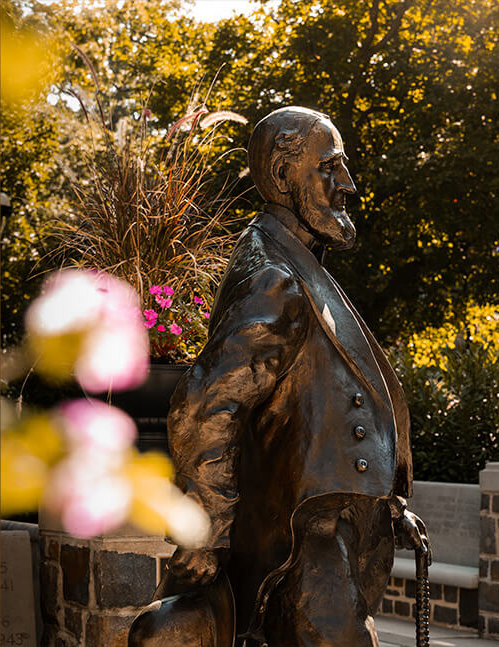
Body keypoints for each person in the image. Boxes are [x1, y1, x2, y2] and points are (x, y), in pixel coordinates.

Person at [129, 106, 430, 647]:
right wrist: (208, 529)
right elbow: (206, 408)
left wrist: (389, 504)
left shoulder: (296, 264)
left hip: (321, 541)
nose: (348, 185)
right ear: (283, 175)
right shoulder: (274, 274)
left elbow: (323, 411)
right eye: (330, 168)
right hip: (299, 549)